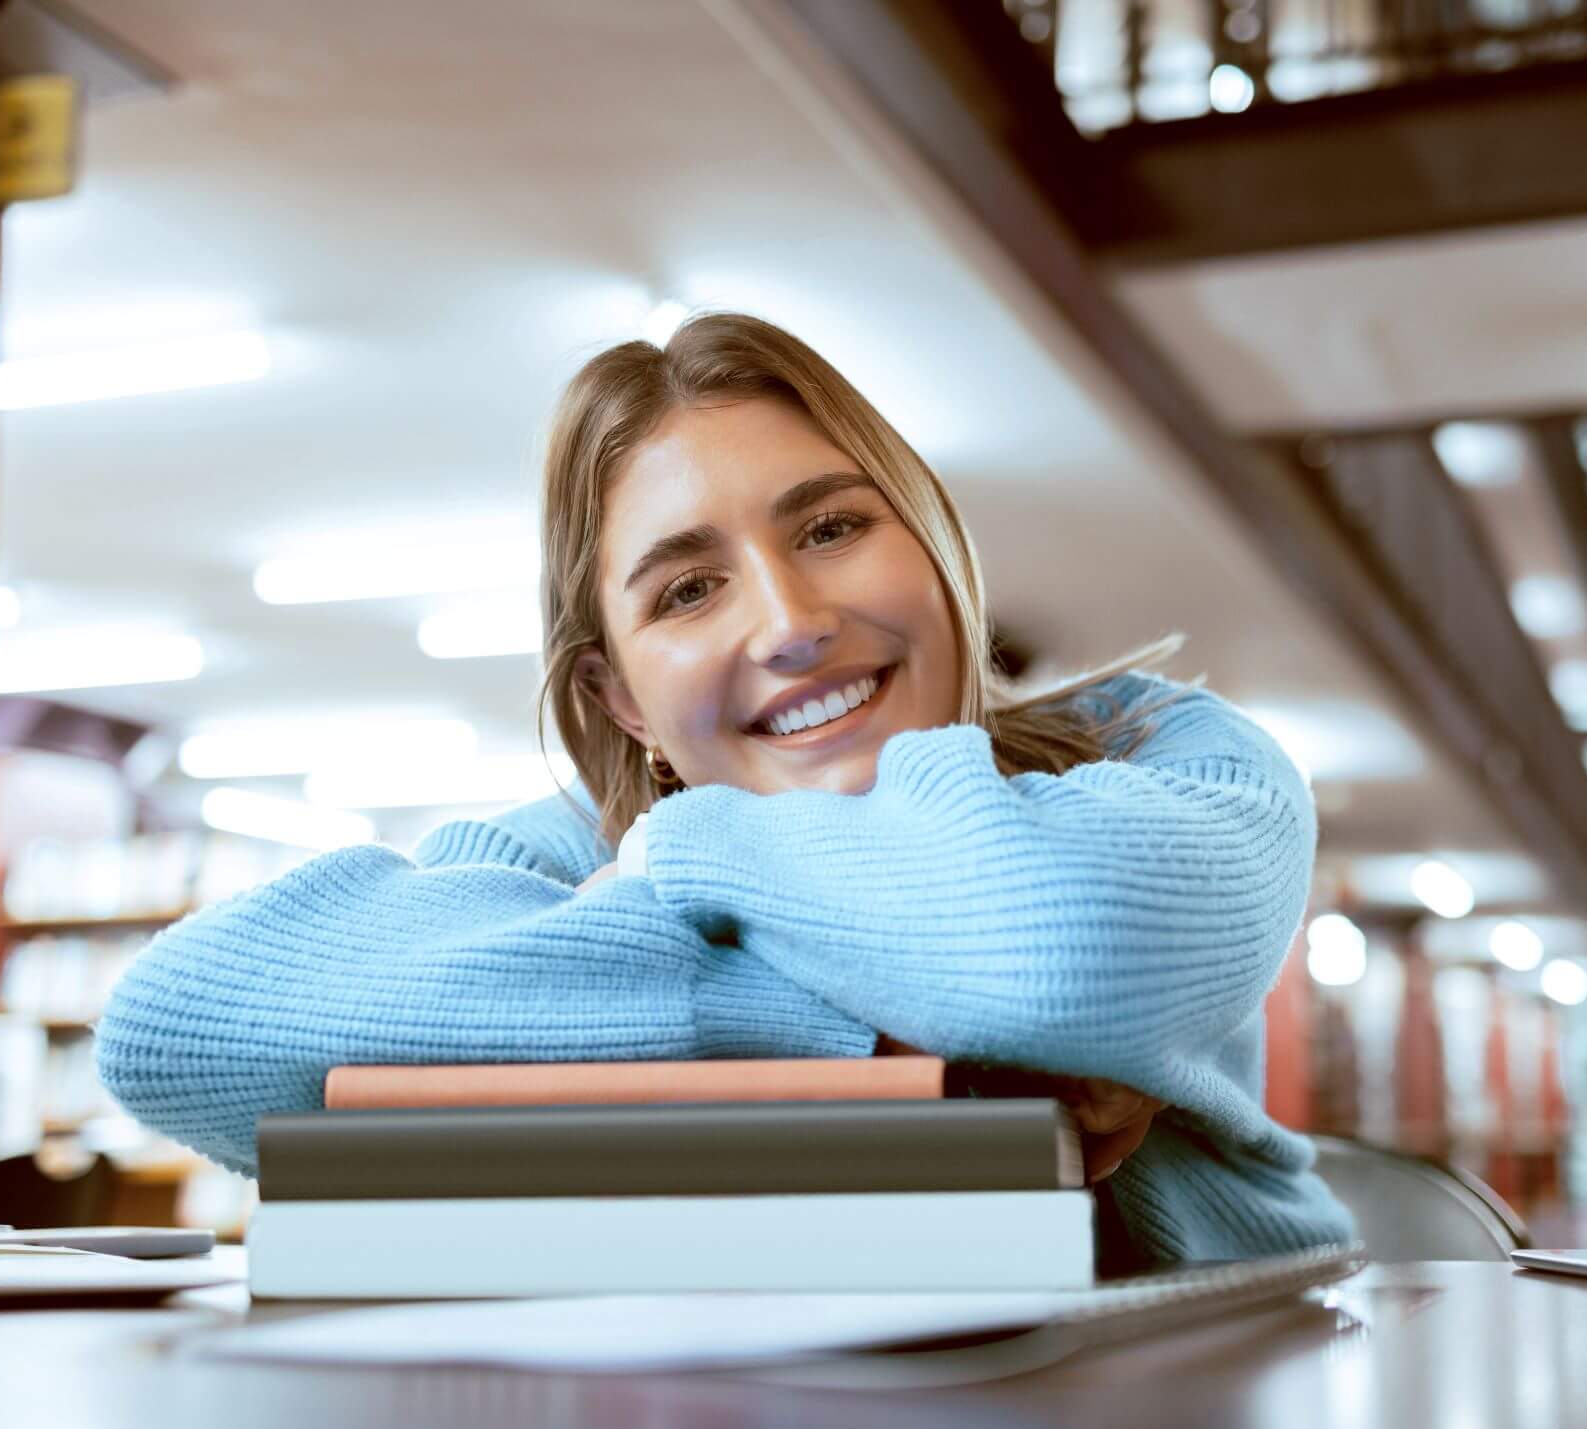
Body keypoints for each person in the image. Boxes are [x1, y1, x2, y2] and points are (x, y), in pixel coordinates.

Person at [96, 313, 1353, 1266]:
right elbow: (178, 1034)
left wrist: (690, 860)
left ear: (937, 547)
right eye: (687, 589)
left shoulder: (1161, 753)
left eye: (829, 527)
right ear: (623, 699)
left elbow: (1054, 956)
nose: (791, 621)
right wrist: (901, 1038)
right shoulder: (568, 843)